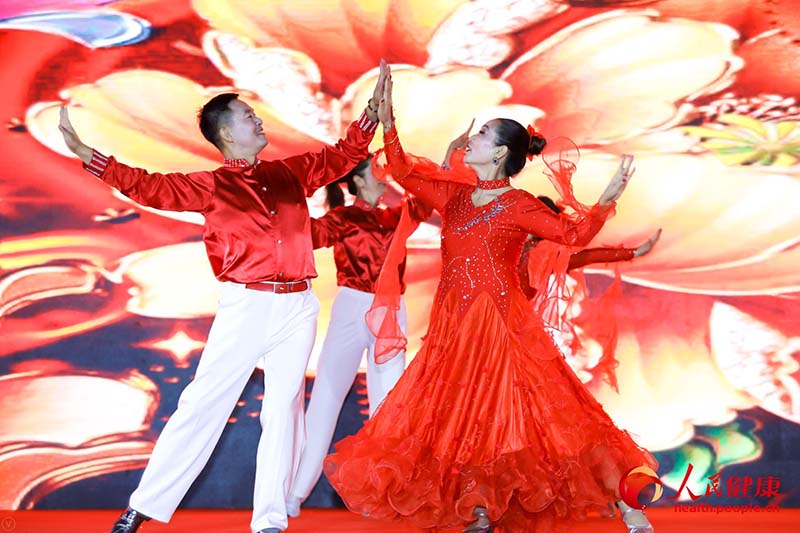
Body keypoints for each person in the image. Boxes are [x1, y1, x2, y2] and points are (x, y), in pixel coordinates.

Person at [57, 61, 390, 533]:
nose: (257, 120)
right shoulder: (210, 185)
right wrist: (84, 153)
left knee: (283, 410)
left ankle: (270, 521)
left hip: (298, 306)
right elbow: (146, 185)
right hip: (247, 305)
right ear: (227, 134)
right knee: (203, 404)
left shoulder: (291, 173)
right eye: (248, 115)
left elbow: (341, 156)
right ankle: (143, 506)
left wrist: (372, 113)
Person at [324, 73, 658, 533]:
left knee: (557, 416)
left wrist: (606, 199)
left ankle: (627, 502)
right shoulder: (455, 196)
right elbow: (402, 170)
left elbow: (572, 235)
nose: (472, 138)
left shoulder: (519, 204)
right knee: (463, 421)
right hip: (453, 329)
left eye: (482, 135)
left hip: (503, 327)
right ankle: (478, 509)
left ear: (500, 153)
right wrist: (389, 120)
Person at [286, 156, 431, 517]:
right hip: (352, 307)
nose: (384, 176)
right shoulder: (343, 218)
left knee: (388, 407)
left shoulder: (398, 216)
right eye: (377, 171)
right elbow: (304, 236)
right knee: (325, 401)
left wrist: (443, 161)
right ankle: (294, 492)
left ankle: (380, 494)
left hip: (392, 311)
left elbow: (428, 199)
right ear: (359, 181)